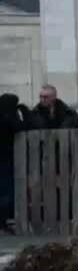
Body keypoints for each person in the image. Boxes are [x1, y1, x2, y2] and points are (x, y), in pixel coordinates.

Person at [0, 94, 30, 228]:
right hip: (5, 159)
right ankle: (3, 220)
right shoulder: (8, 116)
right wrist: (24, 111)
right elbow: (20, 127)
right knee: (7, 190)